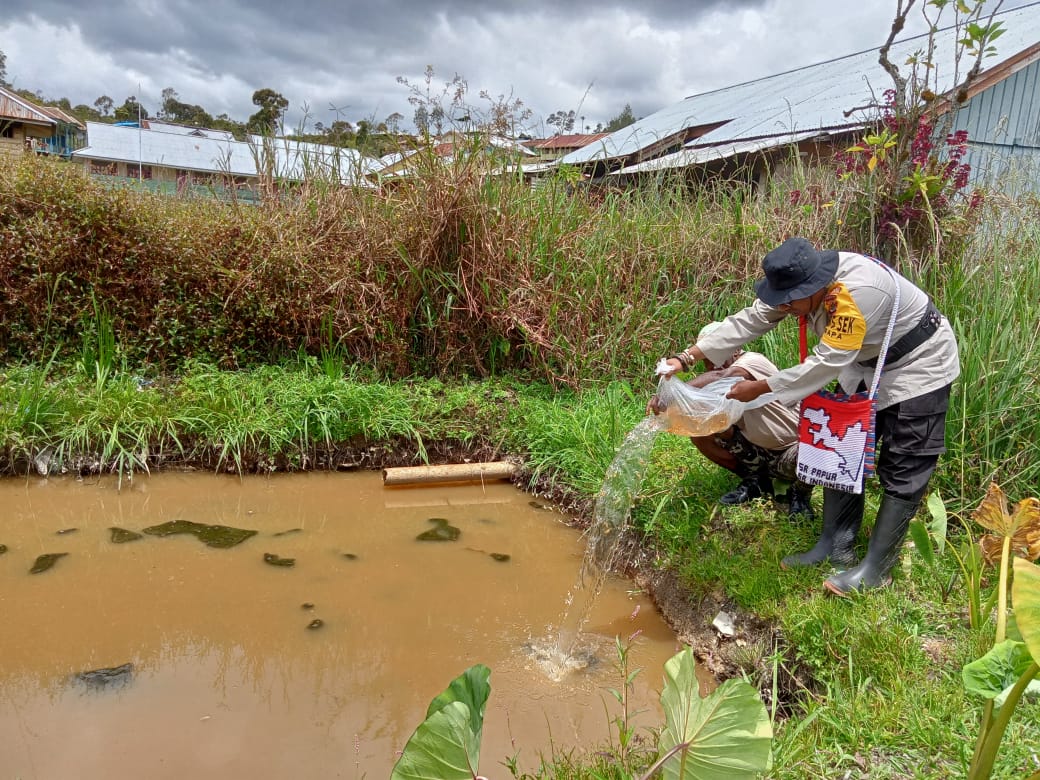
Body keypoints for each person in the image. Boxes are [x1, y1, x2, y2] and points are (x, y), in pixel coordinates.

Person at [660, 237, 959, 595]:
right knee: (839, 449)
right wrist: (685, 358)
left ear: (813, 286)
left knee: (904, 462)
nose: (782, 307)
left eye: (789, 301)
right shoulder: (797, 290)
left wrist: (762, 387)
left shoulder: (857, 295)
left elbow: (825, 364)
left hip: (916, 363)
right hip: (865, 361)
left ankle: (878, 568)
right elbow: (752, 319)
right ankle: (835, 547)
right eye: (779, 299)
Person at [649, 321, 814, 520]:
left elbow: (724, 374)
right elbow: (694, 410)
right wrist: (665, 406)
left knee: (814, 449)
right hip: (758, 454)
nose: (711, 365)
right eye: (707, 360)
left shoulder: (752, 361)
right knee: (701, 433)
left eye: (715, 356)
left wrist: (671, 395)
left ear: (734, 350)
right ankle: (755, 481)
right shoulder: (715, 384)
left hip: (791, 451)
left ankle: (800, 494)